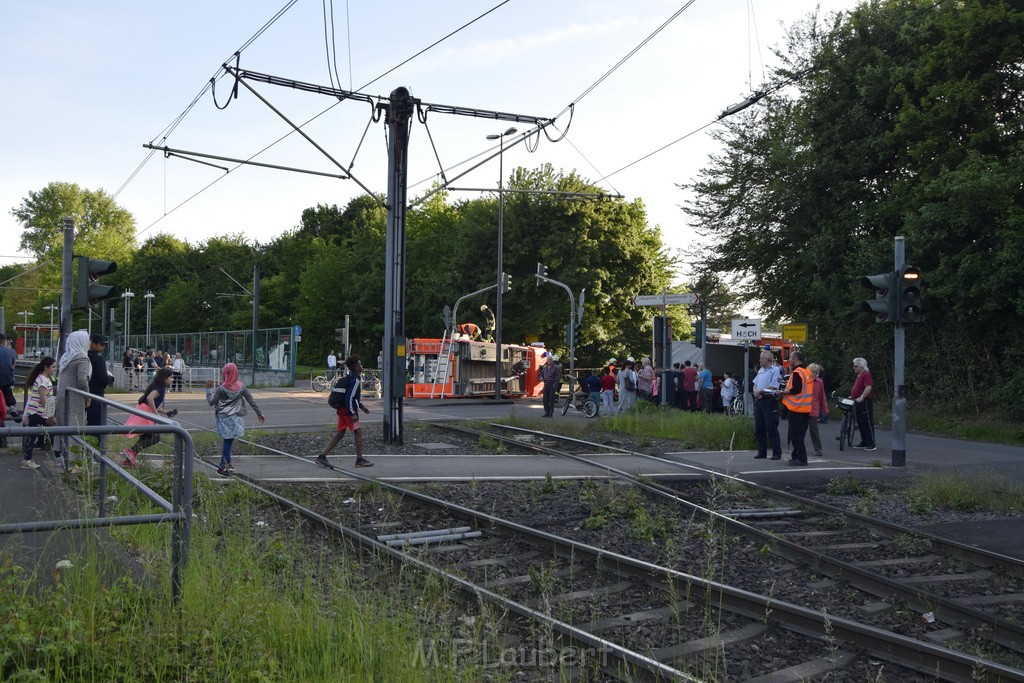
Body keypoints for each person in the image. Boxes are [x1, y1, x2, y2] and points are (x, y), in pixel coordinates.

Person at [205, 362, 265, 476]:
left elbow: (211, 402)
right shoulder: (241, 387)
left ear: (225, 373)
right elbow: (251, 401)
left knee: (227, 442)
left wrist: (208, 389)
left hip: (224, 419)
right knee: (229, 442)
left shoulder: (221, 389)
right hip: (236, 418)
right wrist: (259, 414)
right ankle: (226, 464)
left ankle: (224, 466)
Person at [316, 355, 372, 468]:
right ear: (356, 367)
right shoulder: (355, 379)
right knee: (358, 432)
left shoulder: (350, 377)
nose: (361, 366)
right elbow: (349, 398)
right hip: (348, 411)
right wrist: (352, 414)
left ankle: (322, 457)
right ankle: (359, 460)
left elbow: (352, 397)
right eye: (360, 364)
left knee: (340, 433)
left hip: (342, 409)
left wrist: (361, 406)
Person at [53, 330, 92, 474]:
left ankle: (63, 459)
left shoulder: (67, 357)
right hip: (75, 398)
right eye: (87, 340)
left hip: (63, 396)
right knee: (75, 427)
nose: (88, 343)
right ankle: (73, 463)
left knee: (64, 426)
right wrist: (87, 396)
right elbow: (82, 379)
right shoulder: (82, 358)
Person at [123, 367, 176, 467]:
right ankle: (131, 451)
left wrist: (166, 412)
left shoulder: (158, 386)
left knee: (147, 437)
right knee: (155, 437)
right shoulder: (160, 388)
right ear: (165, 378)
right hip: (145, 414)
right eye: (171, 377)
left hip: (144, 411)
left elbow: (153, 403)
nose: (172, 379)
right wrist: (155, 413)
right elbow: (149, 398)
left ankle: (128, 459)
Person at [21, 356, 57, 470]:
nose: (55, 369)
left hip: (37, 411)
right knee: (34, 435)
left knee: (37, 435)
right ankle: (27, 460)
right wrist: (50, 414)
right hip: (38, 412)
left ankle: (28, 458)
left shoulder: (43, 378)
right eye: (53, 367)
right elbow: (43, 399)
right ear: (46, 367)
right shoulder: (43, 380)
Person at [781, 350, 813, 466]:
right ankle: (796, 456)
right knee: (800, 434)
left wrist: (783, 392)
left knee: (795, 435)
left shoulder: (797, 372)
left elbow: (796, 389)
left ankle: (801, 458)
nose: (789, 361)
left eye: (790, 358)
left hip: (796, 408)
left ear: (795, 359)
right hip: (805, 408)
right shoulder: (807, 371)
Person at [752, 350, 783, 460]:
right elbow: (755, 384)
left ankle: (776, 452)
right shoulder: (760, 370)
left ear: (768, 359)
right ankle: (762, 451)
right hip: (759, 400)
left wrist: (760, 391)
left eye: (762, 358)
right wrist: (756, 392)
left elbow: (774, 386)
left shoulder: (775, 370)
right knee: (759, 427)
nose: (760, 360)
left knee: (771, 427)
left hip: (769, 400)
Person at [86, 333, 115, 427]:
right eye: (101, 344)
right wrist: (110, 379)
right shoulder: (98, 359)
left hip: (84, 393)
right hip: (96, 395)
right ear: (93, 344)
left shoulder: (84, 357)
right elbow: (103, 378)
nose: (103, 347)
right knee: (97, 424)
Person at [851, 357, 876, 451]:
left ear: (861, 366)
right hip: (857, 401)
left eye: (856, 366)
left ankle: (871, 443)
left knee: (867, 422)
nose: (854, 368)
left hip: (864, 401)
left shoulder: (866, 375)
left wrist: (862, 397)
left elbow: (868, 387)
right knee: (861, 422)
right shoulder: (859, 376)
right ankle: (864, 441)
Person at [807, 363, 829, 457]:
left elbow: (821, 396)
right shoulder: (805, 380)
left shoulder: (819, 382)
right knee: (800, 430)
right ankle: (798, 449)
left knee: (814, 430)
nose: (815, 374)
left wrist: (825, 409)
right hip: (803, 408)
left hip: (813, 409)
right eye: (814, 372)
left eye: (817, 373)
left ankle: (818, 449)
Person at [0, 333, 17, 412]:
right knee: (7, 388)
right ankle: (12, 405)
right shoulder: (12, 351)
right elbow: (12, 367)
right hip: (7, 381)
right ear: (5, 341)